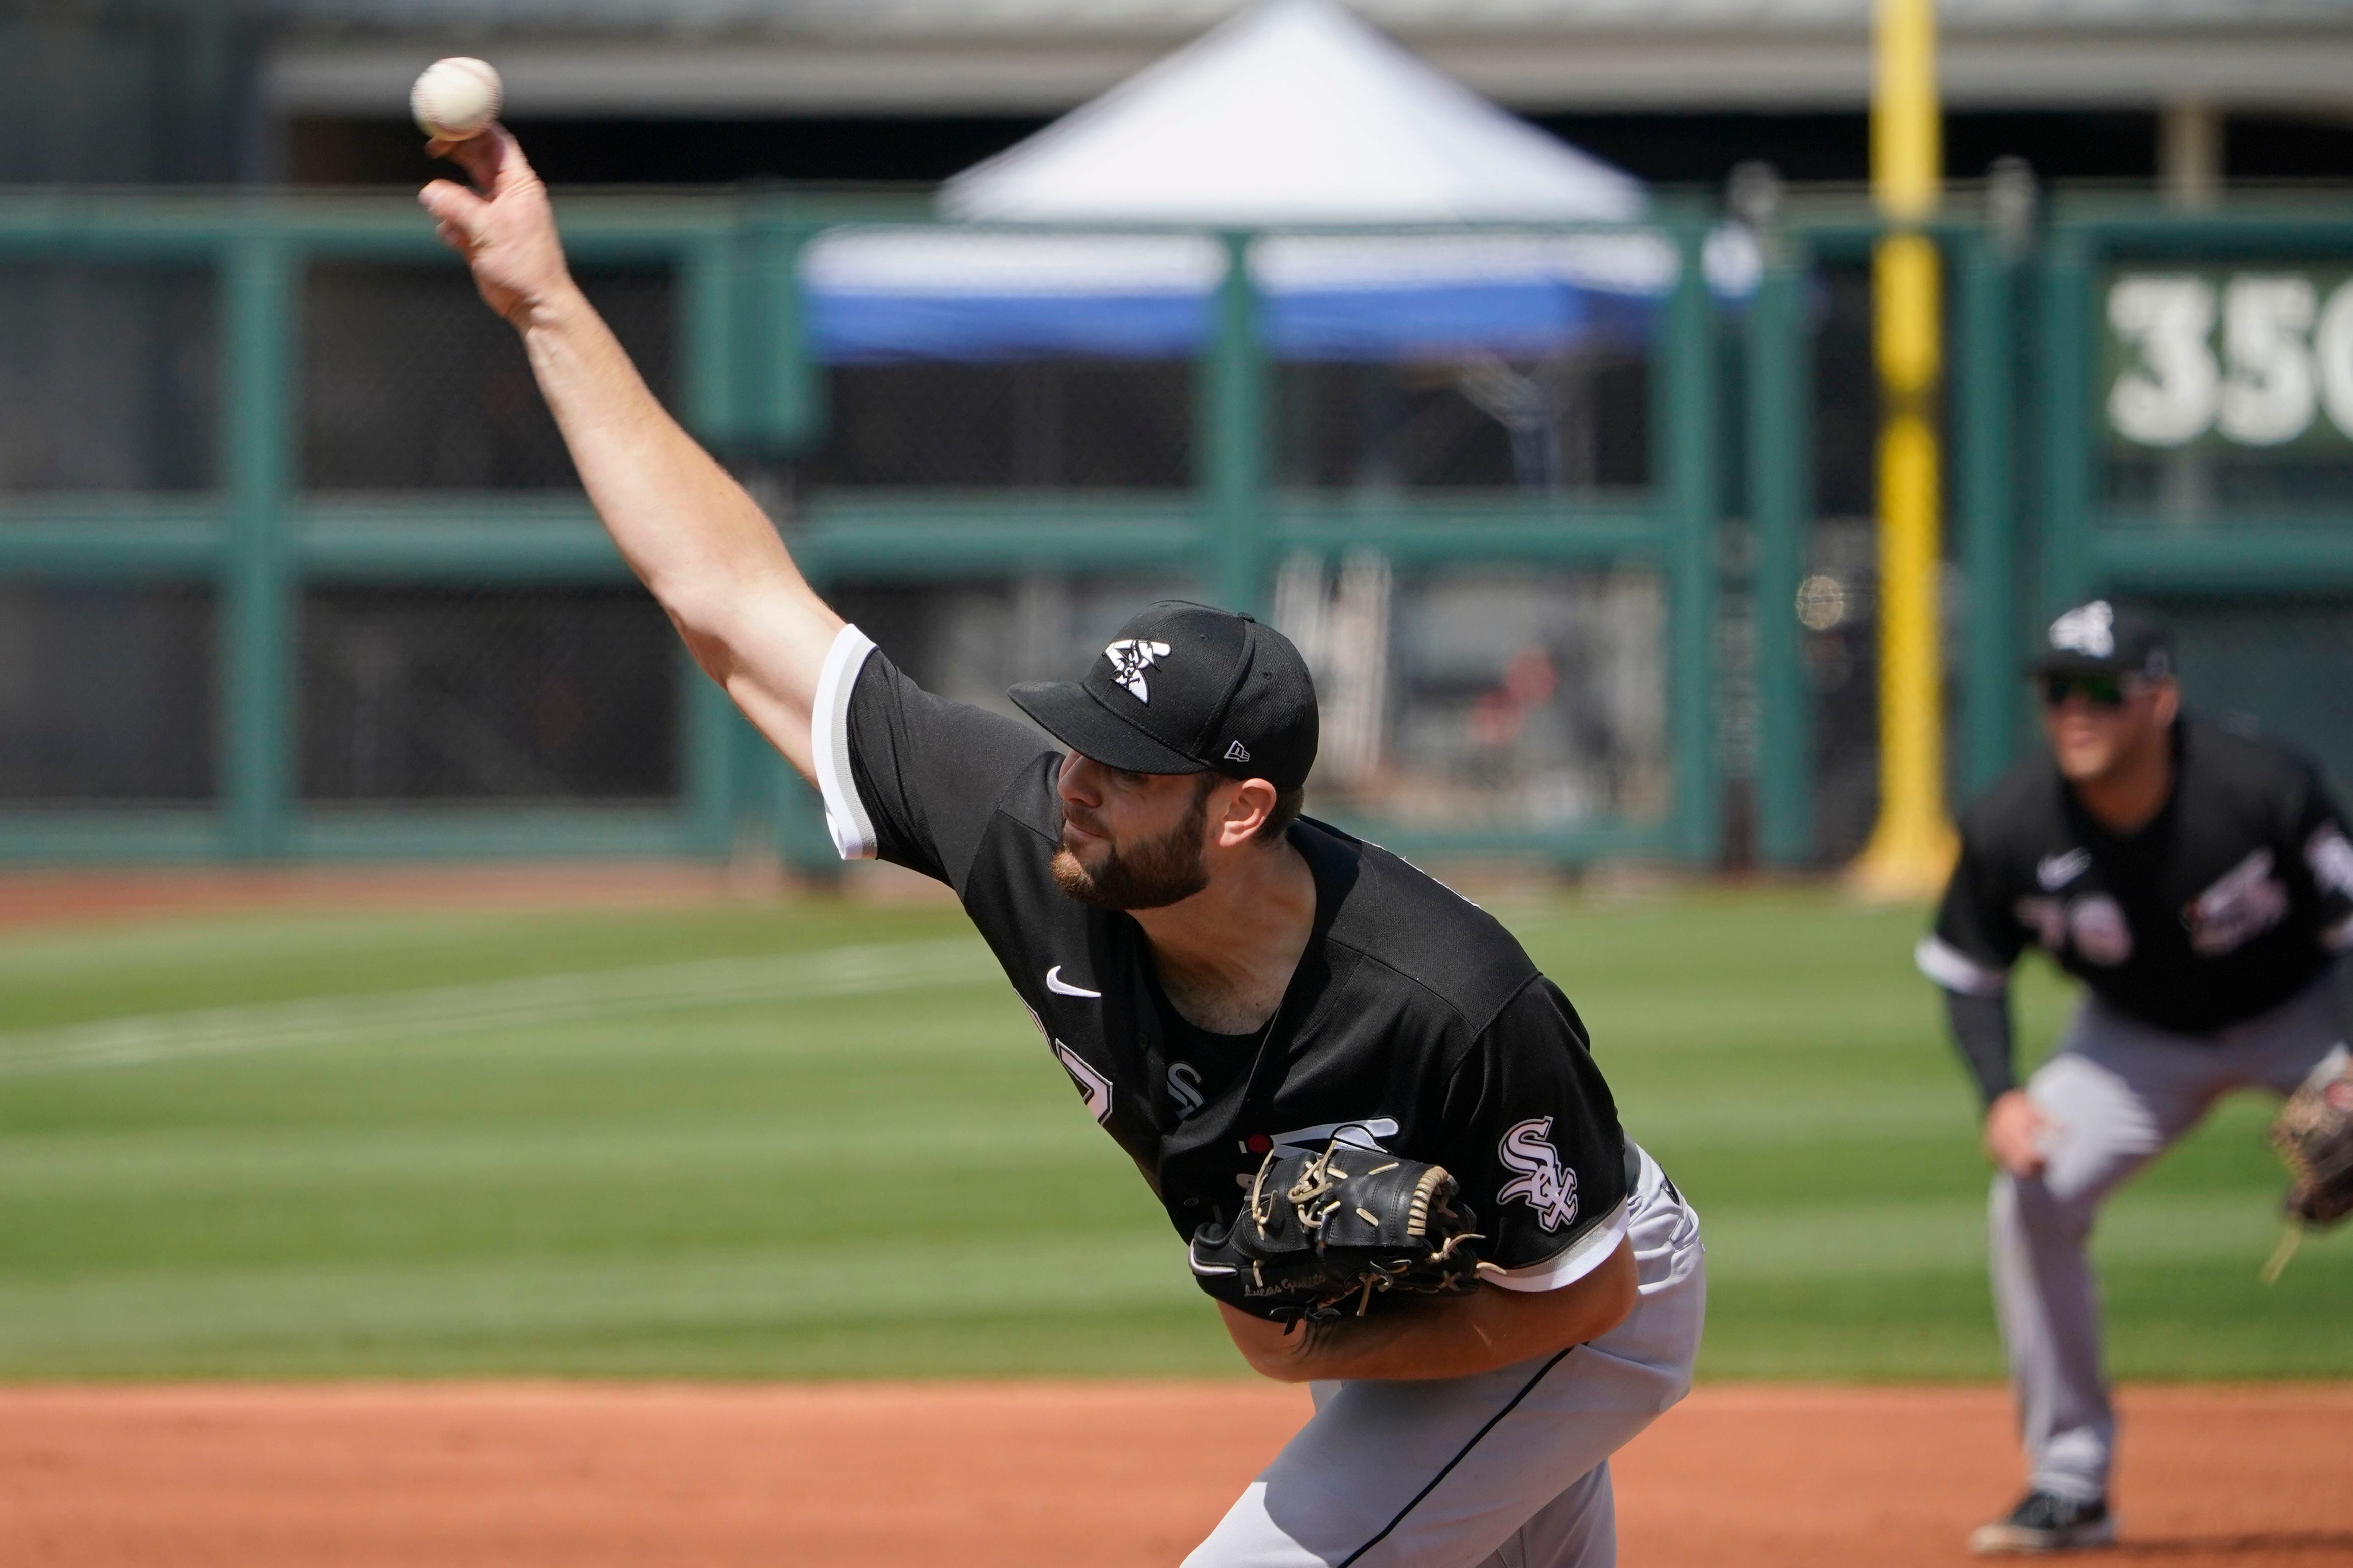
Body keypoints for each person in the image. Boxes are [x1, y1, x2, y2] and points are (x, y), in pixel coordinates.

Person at [419, 129, 1704, 1567]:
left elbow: (1582, 1296)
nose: (1079, 785)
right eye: (1082, 742)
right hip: (1478, 1320)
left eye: (1128, 767)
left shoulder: (1453, 998)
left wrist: (1295, 1355)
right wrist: (546, 305)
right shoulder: (1036, 833)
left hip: (1580, 1304)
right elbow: (731, 597)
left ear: (1239, 812)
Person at [1918, 599, 2353, 1555]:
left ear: (2161, 700)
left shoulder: (2262, 787)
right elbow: (1967, 974)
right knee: (2032, 1191)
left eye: (2103, 690)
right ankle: (2071, 1480)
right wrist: (2001, 1097)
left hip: (2306, 1012)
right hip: (2136, 1040)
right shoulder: (2010, 823)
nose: (2076, 709)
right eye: (2057, 689)